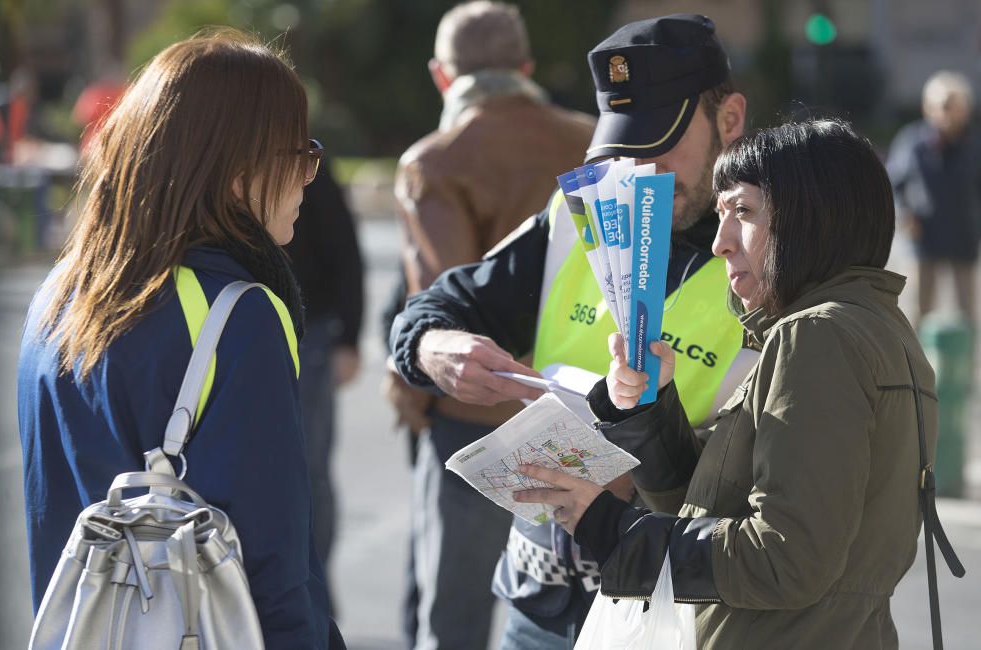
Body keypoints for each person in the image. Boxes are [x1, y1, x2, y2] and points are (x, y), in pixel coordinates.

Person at [513, 119, 960, 649]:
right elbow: (713, 508)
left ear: (811, 217)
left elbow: (785, 559)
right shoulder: (873, 327)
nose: (721, 243)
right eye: (720, 214)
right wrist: (648, 409)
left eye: (743, 212)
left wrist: (611, 528)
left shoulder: (818, 334)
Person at [390, 14, 757, 648]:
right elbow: (440, 304)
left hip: (663, 610)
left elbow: (780, 498)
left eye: (662, 141)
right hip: (539, 601)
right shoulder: (575, 214)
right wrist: (436, 348)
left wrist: (642, 476)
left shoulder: (773, 256)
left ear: (729, 119)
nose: (638, 169)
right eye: (623, 144)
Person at [17, 30, 345, 649]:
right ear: (237, 171)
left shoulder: (59, 295)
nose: (309, 177)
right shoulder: (239, 314)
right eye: (301, 154)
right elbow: (272, 567)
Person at [386, 2, 595, 648]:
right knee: (573, 617)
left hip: (474, 427)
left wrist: (413, 399)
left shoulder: (435, 161)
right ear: (526, 68)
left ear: (440, 76)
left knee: (456, 618)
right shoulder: (594, 140)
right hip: (582, 418)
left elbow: (443, 301)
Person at [284, 158, 364, 611]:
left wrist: (348, 339)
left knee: (309, 472)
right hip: (235, 334)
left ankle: (314, 592)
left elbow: (345, 250)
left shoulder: (305, 161)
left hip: (309, 337)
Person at [887, 70, 981, 328]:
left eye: (955, 106)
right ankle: (915, 366)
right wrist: (905, 215)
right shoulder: (913, 142)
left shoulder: (974, 145)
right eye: (943, 106)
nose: (949, 113)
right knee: (918, 310)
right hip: (924, 238)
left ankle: (960, 365)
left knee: (966, 312)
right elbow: (895, 184)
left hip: (963, 236)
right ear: (928, 108)